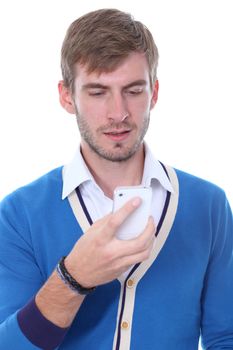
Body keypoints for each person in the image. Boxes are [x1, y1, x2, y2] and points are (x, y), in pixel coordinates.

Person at [0, 8, 232, 350]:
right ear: (67, 96)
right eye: (97, 92)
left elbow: (225, 337)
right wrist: (73, 277)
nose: (118, 113)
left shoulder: (208, 206)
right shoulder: (19, 214)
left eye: (133, 91)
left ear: (154, 93)